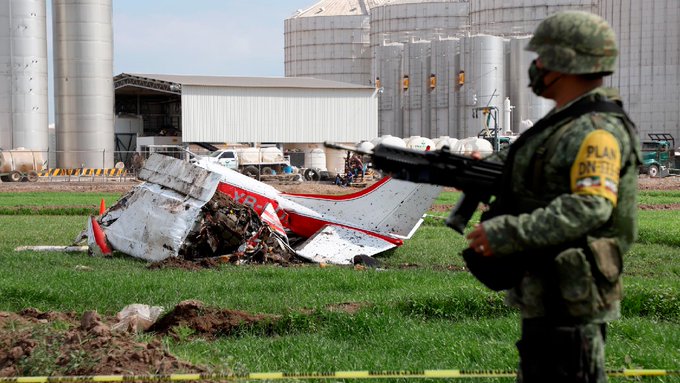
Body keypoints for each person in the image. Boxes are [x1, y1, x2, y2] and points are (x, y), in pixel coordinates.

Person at [464, 11, 641, 383]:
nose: (537, 66)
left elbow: (590, 206)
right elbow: (529, 168)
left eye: (542, 57)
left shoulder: (597, 131)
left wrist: (508, 233)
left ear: (566, 61)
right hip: (548, 288)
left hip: (574, 297)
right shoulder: (561, 122)